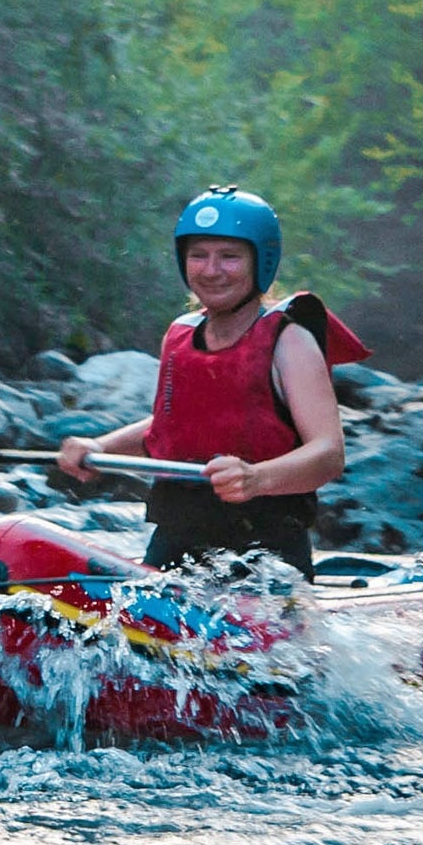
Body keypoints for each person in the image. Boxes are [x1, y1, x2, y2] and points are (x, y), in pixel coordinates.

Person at [57, 186, 369, 576]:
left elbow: (328, 453)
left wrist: (257, 479)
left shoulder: (290, 341)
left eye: (230, 257)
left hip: (265, 547)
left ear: (262, 261)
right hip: (177, 535)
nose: (211, 270)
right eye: (198, 255)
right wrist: (98, 447)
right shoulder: (181, 334)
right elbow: (176, 424)